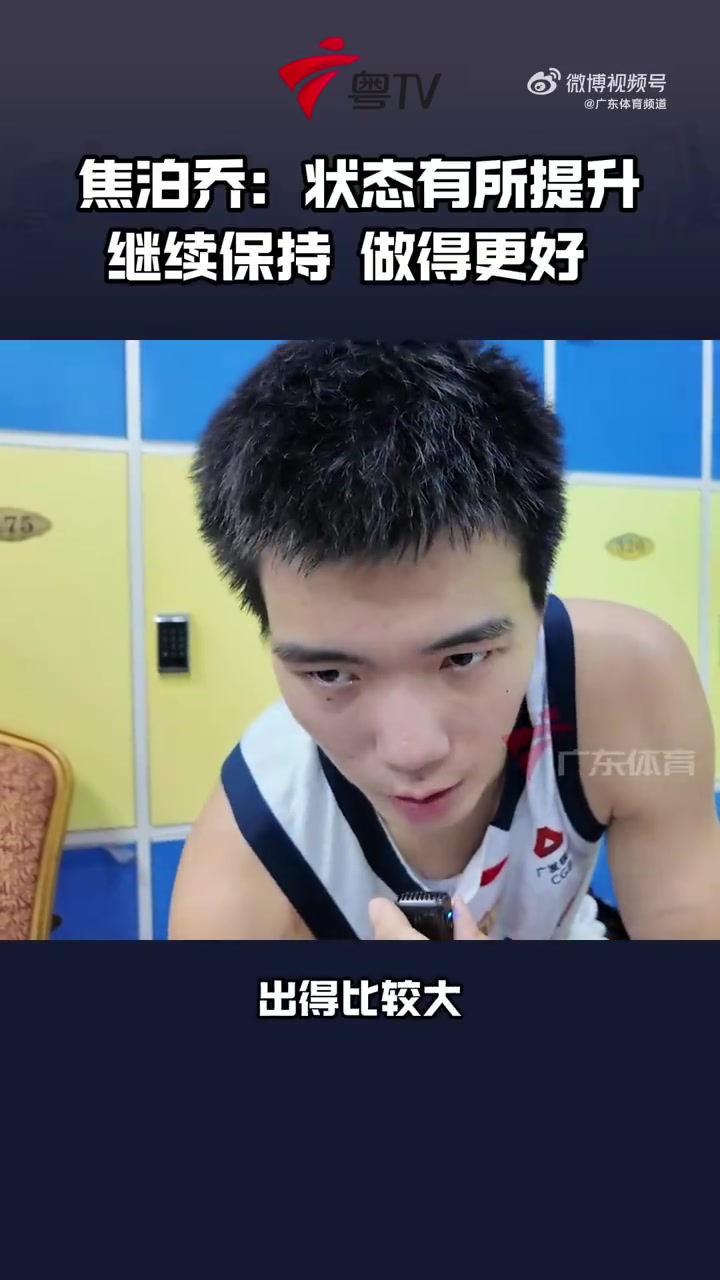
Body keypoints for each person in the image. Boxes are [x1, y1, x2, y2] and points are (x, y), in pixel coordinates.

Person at [169, 340, 720, 941]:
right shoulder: (255, 851)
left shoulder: (624, 688)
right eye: (331, 674)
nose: (412, 751)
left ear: (538, 606)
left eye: (463, 658)